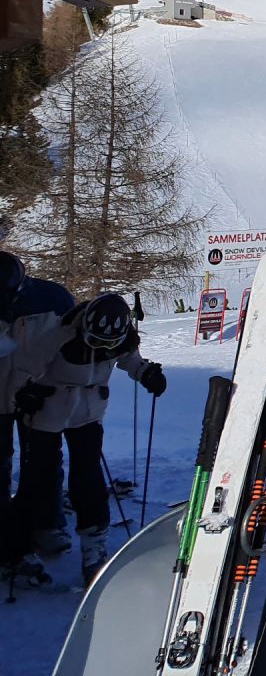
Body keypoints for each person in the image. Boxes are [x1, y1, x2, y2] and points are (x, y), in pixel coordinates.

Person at [7, 292, 165, 583]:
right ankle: (18, 547)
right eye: (95, 342)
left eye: (109, 345)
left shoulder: (122, 337)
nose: (102, 348)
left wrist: (145, 373)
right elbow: (26, 365)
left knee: (88, 479)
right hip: (48, 410)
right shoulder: (59, 331)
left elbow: (129, 359)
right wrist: (23, 392)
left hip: (88, 413)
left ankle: (94, 546)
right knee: (37, 479)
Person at [0, 251, 74, 585]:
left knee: (43, 461)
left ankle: (47, 524)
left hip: (39, 393)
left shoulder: (53, 297)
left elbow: (71, 344)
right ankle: (7, 533)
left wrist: (53, 385)